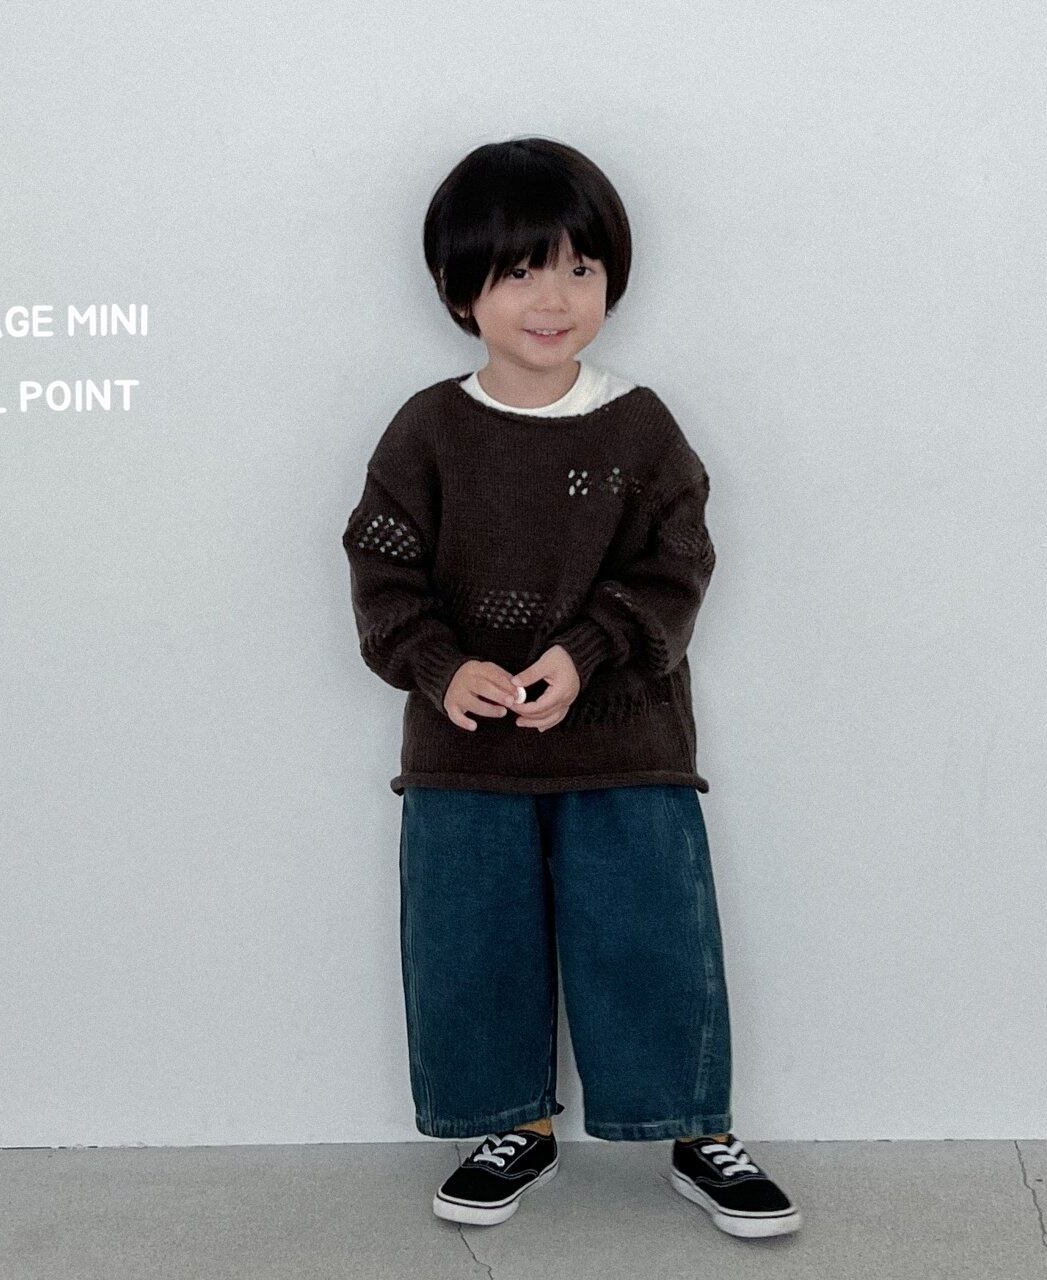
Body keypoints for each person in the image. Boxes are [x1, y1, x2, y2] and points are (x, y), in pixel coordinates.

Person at [340, 136, 800, 1240]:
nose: (553, 300)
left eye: (579, 270)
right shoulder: (427, 430)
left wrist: (586, 653)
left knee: (651, 935)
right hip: (464, 755)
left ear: (610, 280)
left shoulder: (640, 426)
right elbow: (381, 569)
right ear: (459, 289)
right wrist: (443, 668)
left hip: (626, 743)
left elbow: (677, 563)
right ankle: (513, 1126)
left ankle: (691, 1127)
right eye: (519, 272)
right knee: (470, 944)